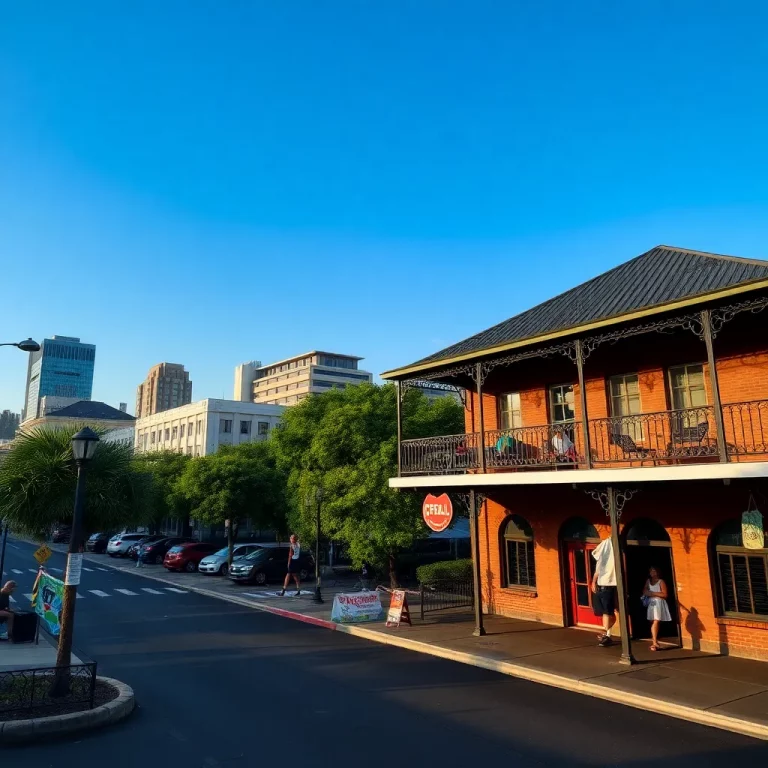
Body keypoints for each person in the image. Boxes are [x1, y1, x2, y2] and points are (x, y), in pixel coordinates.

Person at [591, 538, 618, 647]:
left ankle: (606, 634)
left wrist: (593, 582)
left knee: (609, 613)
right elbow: (597, 571)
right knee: (607, 612)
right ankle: (606, 634)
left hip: (605, 587)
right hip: (605, 588)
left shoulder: (605, 557)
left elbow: (597, 572)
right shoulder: (604, 558)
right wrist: (593, 582)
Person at [643, 566, 672, 651]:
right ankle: (655, 640)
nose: (652, 573)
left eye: (654, 571)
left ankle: (654, 642)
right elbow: (644, 591)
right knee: (653, 621)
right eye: (651, 571)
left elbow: (665, 594)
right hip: (651, 602)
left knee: (656, 620)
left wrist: (652, 593)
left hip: (658, 602)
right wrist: (647, 593)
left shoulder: (661, 581)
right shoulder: (648, 581)